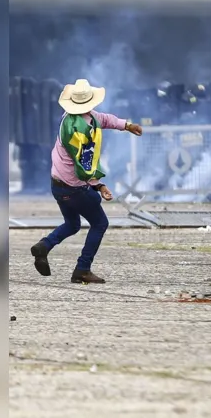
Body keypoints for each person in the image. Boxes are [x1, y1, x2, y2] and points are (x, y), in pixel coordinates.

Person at [29, 79, 143, 284]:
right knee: (100, 223)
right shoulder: (78, 133)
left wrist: (126, 125)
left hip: (57, 184)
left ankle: (44, 246)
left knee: (72, 224)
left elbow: (104, 119)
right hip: (74, 187)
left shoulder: (75, 117)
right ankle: (82, 268)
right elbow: (84, 165)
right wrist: (99, 186)